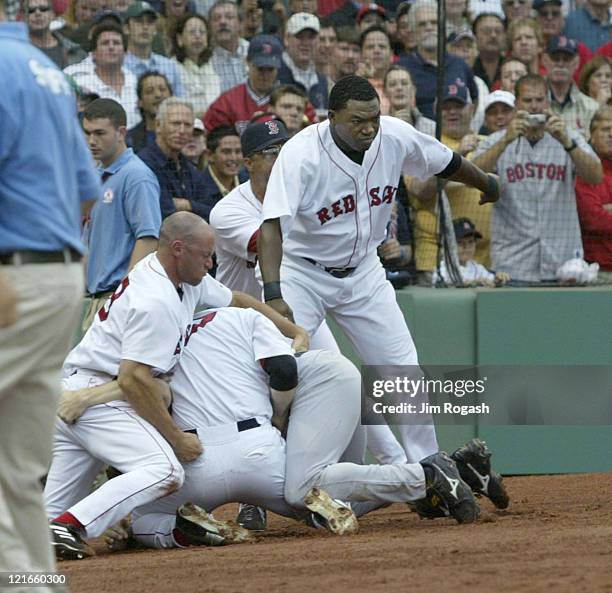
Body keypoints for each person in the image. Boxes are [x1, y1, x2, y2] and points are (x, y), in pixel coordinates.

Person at [257, 75, 505, 471]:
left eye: (373, 117)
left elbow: (446, 161)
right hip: (303, 272)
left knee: (402, 370)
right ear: (331, 116)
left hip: (365, 271)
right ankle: (260, 481)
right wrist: (273, 292)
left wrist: (486, 182)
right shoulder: (301, 153)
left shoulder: (392, 135)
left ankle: (430, 467)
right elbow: (270, 225)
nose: (368, 127)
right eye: (357, 120)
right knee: (285, 369)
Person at [44, 212, 309, 560]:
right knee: (164, 470)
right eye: (206, 255)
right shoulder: (157, 299)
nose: (211, 263)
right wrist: (176, 438)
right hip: (99, 398)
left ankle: (48, 532)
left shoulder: (182, 276)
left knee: (41, 523)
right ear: (179, 249)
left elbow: (238, 299)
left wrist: (293, 331)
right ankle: (72, 527)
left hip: (84, 393)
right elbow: (134, 379)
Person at [0, 5, 100, 586]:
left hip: (15, 273)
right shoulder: (44, 68)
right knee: (13, 467)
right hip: (55, 274)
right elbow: (86, 193)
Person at [472, 73, 603, 281]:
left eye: (539, 100)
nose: (534, 106)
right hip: (513, 260)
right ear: (516, 104)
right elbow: (473, 176)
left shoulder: (569, 136)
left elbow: (596, 176)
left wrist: (568, 143)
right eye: (528, 100)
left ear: (548, 102)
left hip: (562, 260)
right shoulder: (498, 139)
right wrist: (505, 141)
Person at [80, 98, 161, 330]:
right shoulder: (97, 175)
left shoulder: (137, 176)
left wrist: (124, 297)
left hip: (117, 300)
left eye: (99, 133)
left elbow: (148, 238)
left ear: (121, 132)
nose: (91, 141)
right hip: (97, 299)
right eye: (87, 133)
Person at [398, 0, 479, 119]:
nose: (429, 28)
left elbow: (474, 99)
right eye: (422, 24)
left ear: (442, 26)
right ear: (413, 31)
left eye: (434, 23)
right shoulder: (402, 68)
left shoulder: (460, 64)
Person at [138, 97, 214, 219]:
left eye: (187, 125)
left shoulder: (188, 168)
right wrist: (195, 207)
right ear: (158, 125)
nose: (182, 131)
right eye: (176, 123)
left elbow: (212, 210)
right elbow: (163, 210)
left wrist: (187, 205)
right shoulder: (144, 164)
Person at [64, 22, 141, 128]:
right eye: (105, 43)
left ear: (125, 52)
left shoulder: (136, 82)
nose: (111, 47)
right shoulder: (78, 79)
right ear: (94, 53)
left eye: (116, 43)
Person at [204, 34, 284, 133]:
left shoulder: (292, 101)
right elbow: (214, 138)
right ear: (247, 62)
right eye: (260, 69)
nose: (265, 75)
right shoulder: (227, 102)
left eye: (270, 69)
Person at [575, 106, 612, 280]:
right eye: (606, 129)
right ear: (592, 134)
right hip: (598, 270)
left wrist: (607, 209)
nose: (611, 134)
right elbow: (593, 219)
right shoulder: (586, 170)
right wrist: (603, 211)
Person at [123, 1, 185, 97]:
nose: (145, 27)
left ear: (155, 29)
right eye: (139, 22)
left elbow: (181, 103)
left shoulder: (169, 66)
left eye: (150, 22)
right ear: (126, 28)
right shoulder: (118, 66)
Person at [543, 35, 600, 139]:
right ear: (545, 60)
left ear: (577, 63)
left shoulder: (591, 108)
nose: (560, 64)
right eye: (555, 58)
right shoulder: (531, 103)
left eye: (566, 59)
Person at [171, 14, 222, 118]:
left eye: (202, 32)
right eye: (192, 32)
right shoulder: (171, 67)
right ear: (180, 39)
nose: (198, 36)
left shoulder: (215, 65)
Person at [436, 217, 511, 285]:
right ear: (448, 245)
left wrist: (499, 279)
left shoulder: (477, 268)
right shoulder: (442, 268)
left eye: (471, 242)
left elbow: (492, 280)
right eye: (460, 242)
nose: (466, 247)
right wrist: (474, 283)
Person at [278, 12, 329, 112]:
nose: (306, 43)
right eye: (300, 36)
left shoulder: (322, 81)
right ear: (287, 39)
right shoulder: (274, 73)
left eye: (311, 37)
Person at [200, 125, 248, 216]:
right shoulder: (197, 187)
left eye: (238, 151)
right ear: (209, 155)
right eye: (226, 152)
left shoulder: (249, 181)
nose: (233, 158)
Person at [25, 0, 86, 68]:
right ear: (23, 17)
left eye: (43, 9)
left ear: (53, 14)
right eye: (30, 11)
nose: (38, 13)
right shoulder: (16, 51)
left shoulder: (74, 51)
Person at [126, 70, 173, 153]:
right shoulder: (129, 141)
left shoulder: (185, 133)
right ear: (140, 102)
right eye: (150, 91)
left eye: (162, 89)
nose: (158, 95)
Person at [208, 0, 249, 93]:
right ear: (210, 27)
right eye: (216, 18)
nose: (222, 22)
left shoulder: (253, 51)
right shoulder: (205, 59)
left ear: (240, 24)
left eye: (229, 17)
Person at [358, 25, 394, 114]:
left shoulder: (402, 83)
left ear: (392, 55)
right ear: (361, 55)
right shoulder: (351, 84)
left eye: (382, 46)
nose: (377, 51)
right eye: (370, 47)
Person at [472, 12, 506, 90]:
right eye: (487, 31)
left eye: (498, 31)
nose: (493, 35)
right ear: (475, 36)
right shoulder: (468, 68)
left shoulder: (511, 68)